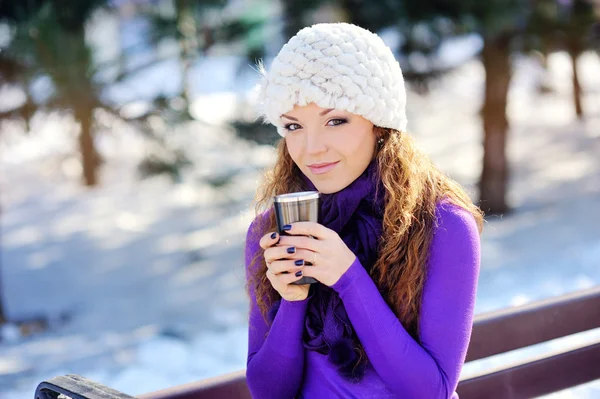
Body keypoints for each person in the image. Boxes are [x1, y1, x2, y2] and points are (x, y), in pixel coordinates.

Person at [244, 22, 483, 399]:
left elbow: (431, 391)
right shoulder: (272, 230)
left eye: (335, 120)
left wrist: (349, 278)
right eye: (293, 126)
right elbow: (268, 391)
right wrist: (292, 299)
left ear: (381, 125)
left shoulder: (441, 225)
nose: (311, 149)